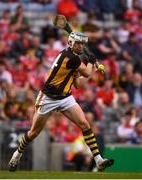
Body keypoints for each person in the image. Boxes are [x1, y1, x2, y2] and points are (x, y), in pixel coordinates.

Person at [8, 32, 114, 172]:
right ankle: (17, 154)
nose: (81, 46)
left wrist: (91, 66)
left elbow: (77, 84)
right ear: (71, 43)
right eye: (78, 43)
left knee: (84, 124)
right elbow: (87, 73)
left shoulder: (73, 58)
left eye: (82, 43)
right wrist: (91, 61)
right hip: (48, 98)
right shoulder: (71, 58)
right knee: (33, 132)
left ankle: (98, 160)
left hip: (65, 97)